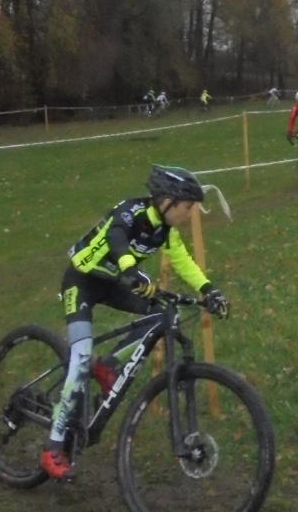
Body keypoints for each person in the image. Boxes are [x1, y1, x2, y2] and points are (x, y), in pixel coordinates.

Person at [40, 166, 230, 480]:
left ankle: (107, 365)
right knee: (81, 357)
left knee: (161, 313)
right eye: (187, 207)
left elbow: (182, 261)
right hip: (82, 280)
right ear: (167, 201)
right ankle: (53, 447)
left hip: (115, 281)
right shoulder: (131, 212)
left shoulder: (165, 231)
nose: (190, 214)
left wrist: (209, 290)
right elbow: (116, 238)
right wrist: (131, 270)